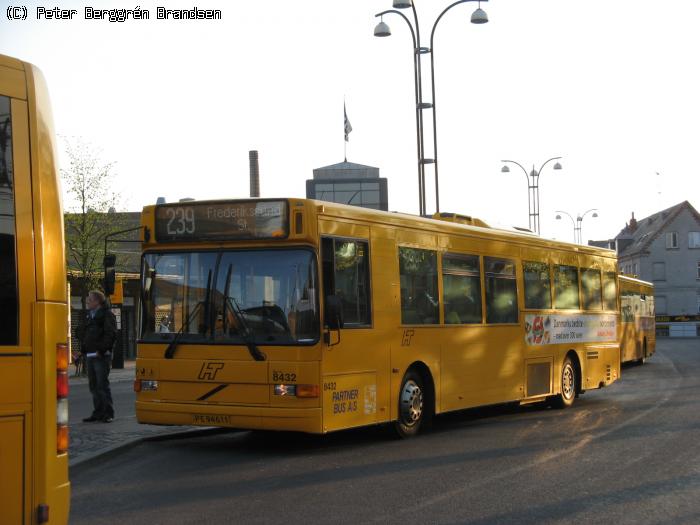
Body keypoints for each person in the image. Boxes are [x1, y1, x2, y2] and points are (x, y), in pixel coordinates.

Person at [81, 290, 117, 423]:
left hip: (101, 355)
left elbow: (110, 334)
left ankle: (108, 413)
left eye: (90, 300)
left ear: (97, 301)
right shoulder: (91, 315)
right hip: (91, 354)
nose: (87, 302)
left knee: (102, 385)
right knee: (93, 386)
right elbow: (88, 334)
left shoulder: (107, 315)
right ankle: (98, 412)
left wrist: (102, 351)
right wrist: (83, 350)